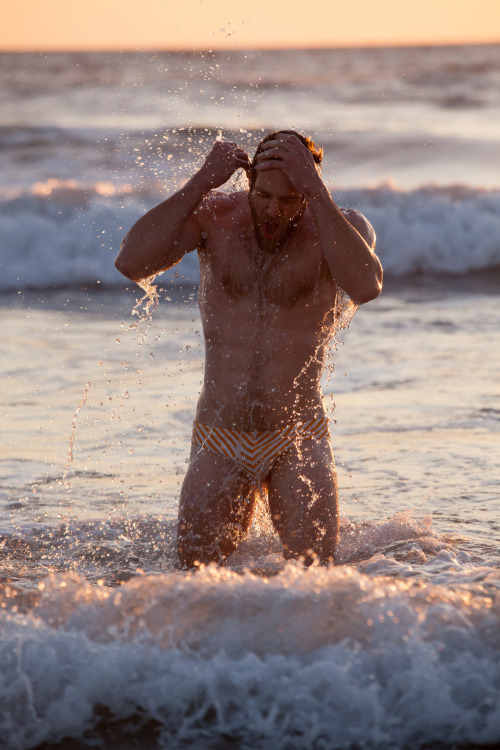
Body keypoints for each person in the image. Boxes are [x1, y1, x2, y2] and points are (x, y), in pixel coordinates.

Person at [115, 130, 383, 568]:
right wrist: (201, 179)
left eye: (289, 199)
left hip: (297, 433)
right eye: (264, 195)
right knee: (195, 575)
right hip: (221, 434)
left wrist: (315, 191)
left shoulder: (339, 227)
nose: (273, 210)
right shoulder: (215, 218)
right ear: (249, 183)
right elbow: (131, 261)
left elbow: (367, 286)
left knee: (316, 573)